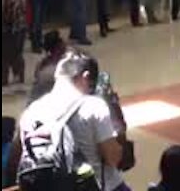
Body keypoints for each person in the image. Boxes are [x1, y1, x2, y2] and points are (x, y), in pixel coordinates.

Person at [16, 54, 124, 191]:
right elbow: (112, 158)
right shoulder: (93, 105)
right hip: (94, 186)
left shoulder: (31, 112)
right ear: (85, 77)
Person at [1, 0, 28, 88]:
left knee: (4, 55)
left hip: (8, 30)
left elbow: (7, 15)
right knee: (17, 52)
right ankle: (19, 76)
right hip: (21, 27)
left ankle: (4, 79)